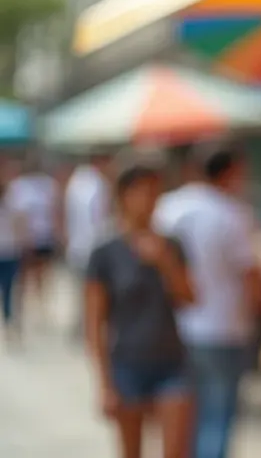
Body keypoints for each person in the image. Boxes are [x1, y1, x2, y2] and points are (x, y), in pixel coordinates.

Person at [154, 146, 261, 458]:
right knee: (218, 417)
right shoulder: (232, 213)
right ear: (229, 172)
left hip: (177, 326)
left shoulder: (167, 207)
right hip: (224, 328)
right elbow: (251, 277)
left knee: (186, 418)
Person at [84, 160, 195, 458]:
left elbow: (190, 298)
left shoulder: (171, 244)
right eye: (142, 192)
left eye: (154, 192)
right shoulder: (105, 251)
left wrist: (165, 264)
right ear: (123, 196)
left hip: (171, 360)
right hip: (127, 364)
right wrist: (104, 384)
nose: (149, 201)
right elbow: (94, 321)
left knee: (176, 449)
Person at [65, 151, 114, 340]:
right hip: (92, 246)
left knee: (82, 293)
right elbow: (100, 219)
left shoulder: (76, 181)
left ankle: (82, 329)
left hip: (77, 246)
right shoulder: (98, 185)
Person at [4, 154, 59, 312]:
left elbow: (53, 211)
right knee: (24, 276)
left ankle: (40, 304)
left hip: (43, 236)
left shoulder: (47, 185)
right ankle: (26, 306)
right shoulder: (19, 186)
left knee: (42, 273)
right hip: (28, 238)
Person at [0, 179, 27, 345]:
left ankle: (9, 322)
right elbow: (20, 229)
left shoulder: (12, 207)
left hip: (9, 252)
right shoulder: (12, 207)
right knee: (9, 291)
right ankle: (9, 322)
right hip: (10, 253)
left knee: (9, 290)